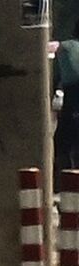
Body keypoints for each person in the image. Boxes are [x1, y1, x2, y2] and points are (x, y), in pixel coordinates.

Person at [55, 21, 79, 171]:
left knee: (63, 138)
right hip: (71, 93)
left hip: (72, 94)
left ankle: (64, 174)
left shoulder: (66, 47)